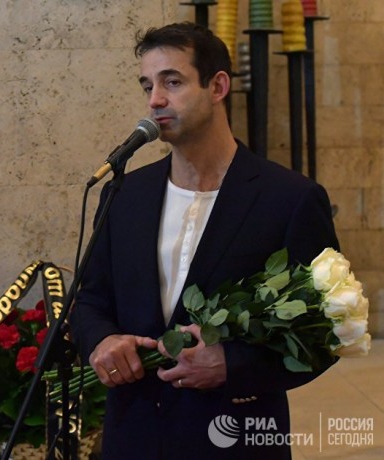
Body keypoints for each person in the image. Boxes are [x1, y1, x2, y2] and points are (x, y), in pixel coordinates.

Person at [70, 22, 339, 459]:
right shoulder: (125, 194)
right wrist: (102, 342)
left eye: (172, 82)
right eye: (148, 85)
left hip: (234, 438)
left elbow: (326, 331)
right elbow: (89, 300)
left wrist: (234, 365)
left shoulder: (289, 198)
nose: (155, 100)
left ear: (217, 87)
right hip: (134, 435)